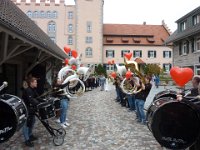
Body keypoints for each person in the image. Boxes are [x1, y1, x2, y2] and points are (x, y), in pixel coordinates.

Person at [22, 77, 41, 147]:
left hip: (31, 110)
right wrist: (38, 103)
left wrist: (43, 100)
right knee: (26, 125)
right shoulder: (28, 90)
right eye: (35, 82)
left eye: (36, 82)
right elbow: (31, 100)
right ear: (31, 83)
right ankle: (26, 140)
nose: (36, 83)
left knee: (32, 122)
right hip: (26, 110)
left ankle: (30, 135)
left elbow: (38, 97)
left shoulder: (33, 89)